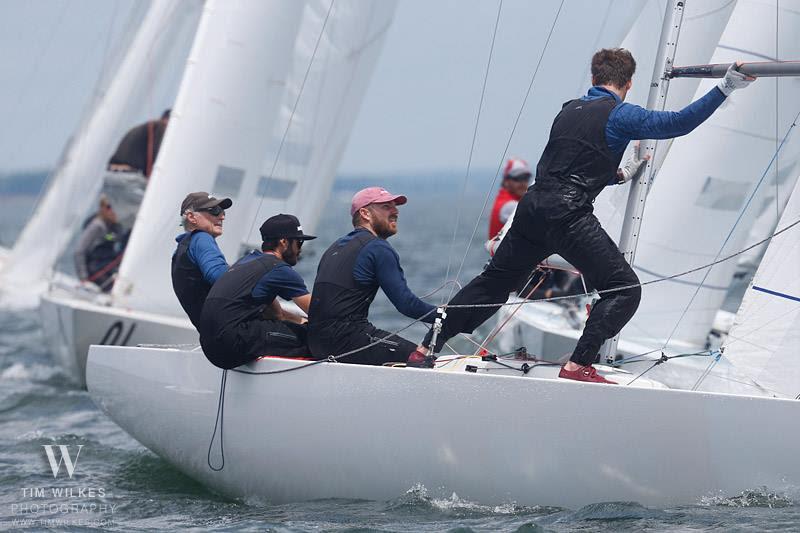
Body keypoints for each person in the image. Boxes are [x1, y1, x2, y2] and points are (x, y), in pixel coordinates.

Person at [414, 49, 755, 383]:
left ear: (593, 78)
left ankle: (428, 344)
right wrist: (726, 85)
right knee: (623, 289)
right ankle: (578, 365)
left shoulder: (567, 111)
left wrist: (619, 175)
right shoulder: (621, 115)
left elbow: (570, 163)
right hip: (567, 214)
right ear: (629, 83)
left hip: (532, 208)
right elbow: (679, 123)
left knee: (493, 284)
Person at [308, 187, 436, 366]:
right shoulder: (377, 248)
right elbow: (406, 304)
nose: (395, 211)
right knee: (419, 359)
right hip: (347, 340)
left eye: (395, 207)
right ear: (365, 213)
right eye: (386, 207)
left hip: (315, 342)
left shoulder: (334, 247)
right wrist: (443, 315)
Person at [199, 214, 315, 369]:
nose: (300, 250)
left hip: (210, 346)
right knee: (314, 339)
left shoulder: (247, 262)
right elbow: (321, 312)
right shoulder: (278, 268)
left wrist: (301, 321)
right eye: (299, 243)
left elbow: (275, 315)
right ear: (284, 242)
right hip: (232, 343)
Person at [171, 191, 233, 328]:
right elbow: (220, 276)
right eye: (215, 211)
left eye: (223, 212)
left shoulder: (183, 247)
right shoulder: (201, 238)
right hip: (234, 332)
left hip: (213, 335)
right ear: (192, 217)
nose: (222, 217)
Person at [74, 195, 126, 292]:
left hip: (108, 267)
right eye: (108, 208)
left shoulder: (114, 227)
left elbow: (110, 237)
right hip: (95, 270)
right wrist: (83, 279)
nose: (113, 212)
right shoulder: (97, 226)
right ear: (103, 209)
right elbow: (79, 251)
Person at [108, 109, 170, 177]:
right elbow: (154, 154)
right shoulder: (160, 127)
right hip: (130, 173)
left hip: (113, 169)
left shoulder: (149, 126)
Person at [489, 158, 532, 239]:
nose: (523, 183)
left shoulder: (502, 199)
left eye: (526, 178)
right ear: (506, 181)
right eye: (518, 178)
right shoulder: (510, 206)